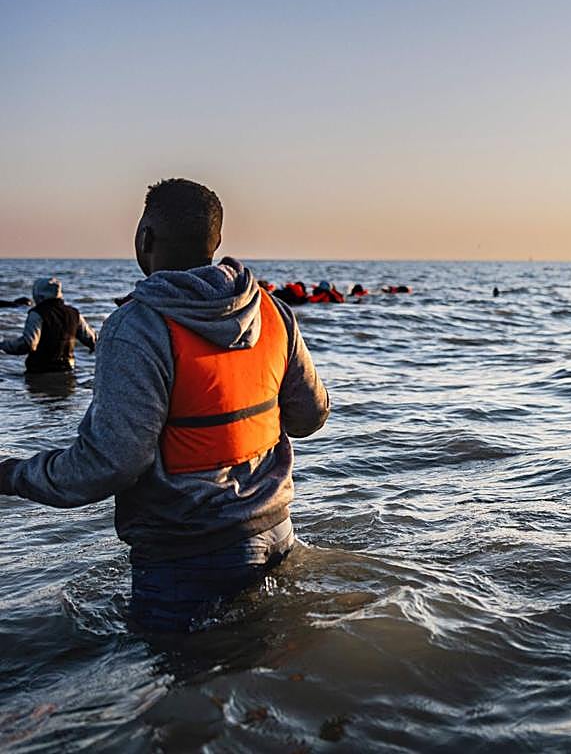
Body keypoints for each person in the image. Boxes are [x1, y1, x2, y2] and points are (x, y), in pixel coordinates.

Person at [0, 178, 329, 632]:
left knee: (178, 694)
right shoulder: (273, 313)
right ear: (215, 241)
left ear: (144, 237)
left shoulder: (137, 326)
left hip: (187, 560)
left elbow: (107, 465)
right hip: (277, 534)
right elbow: (311, 415)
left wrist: (11, 475)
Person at [1, 278, 97, 373]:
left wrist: (3, 345)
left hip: (40, 371)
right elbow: (92, 340)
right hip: (68, 370)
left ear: (39, 295)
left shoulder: (37, 313)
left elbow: (29, 344)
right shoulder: (74, 314)